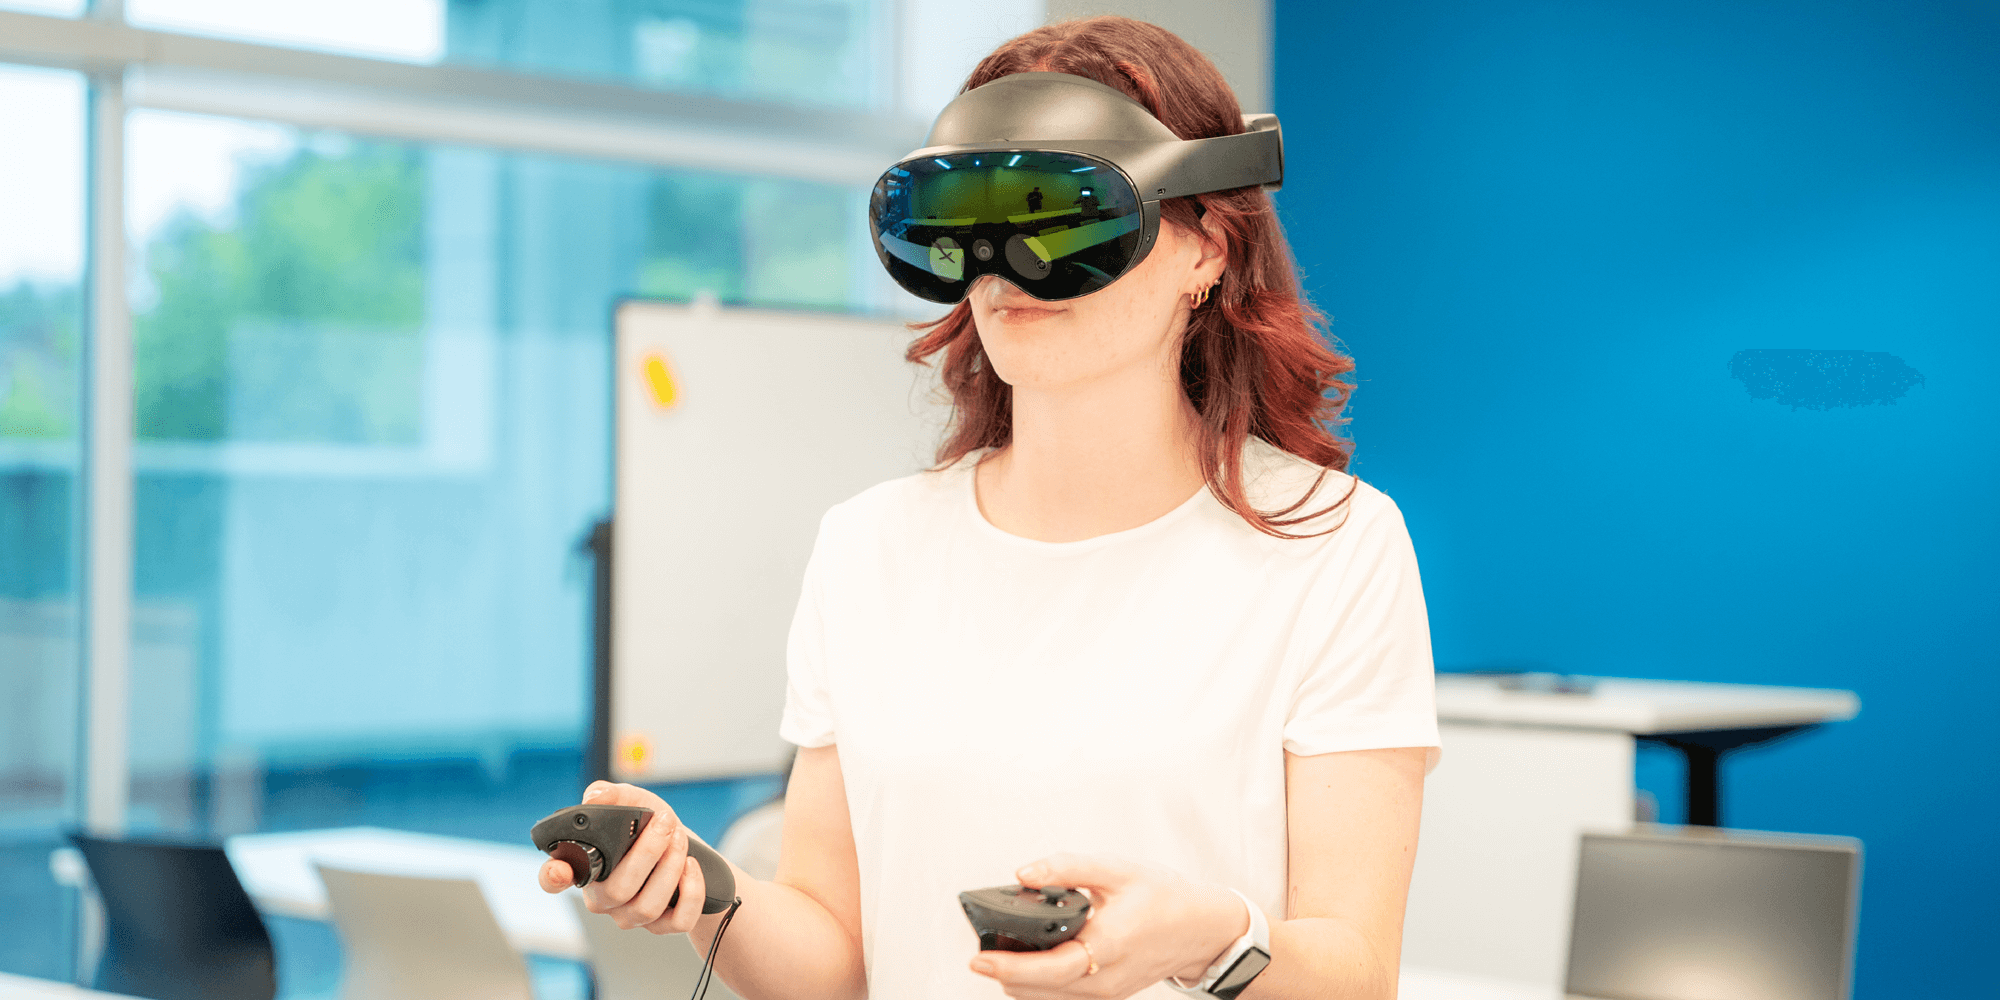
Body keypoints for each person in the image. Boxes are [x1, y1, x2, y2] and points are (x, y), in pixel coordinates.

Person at [540, 16, 1438, 1000]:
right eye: (969, 223)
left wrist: (1210, 937)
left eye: (1065, 215)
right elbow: (837, 960)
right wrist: (702, 890)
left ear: (1206, 249)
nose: (1006, 266)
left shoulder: (1332, 544)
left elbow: (1355, 976)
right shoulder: (870, 546)